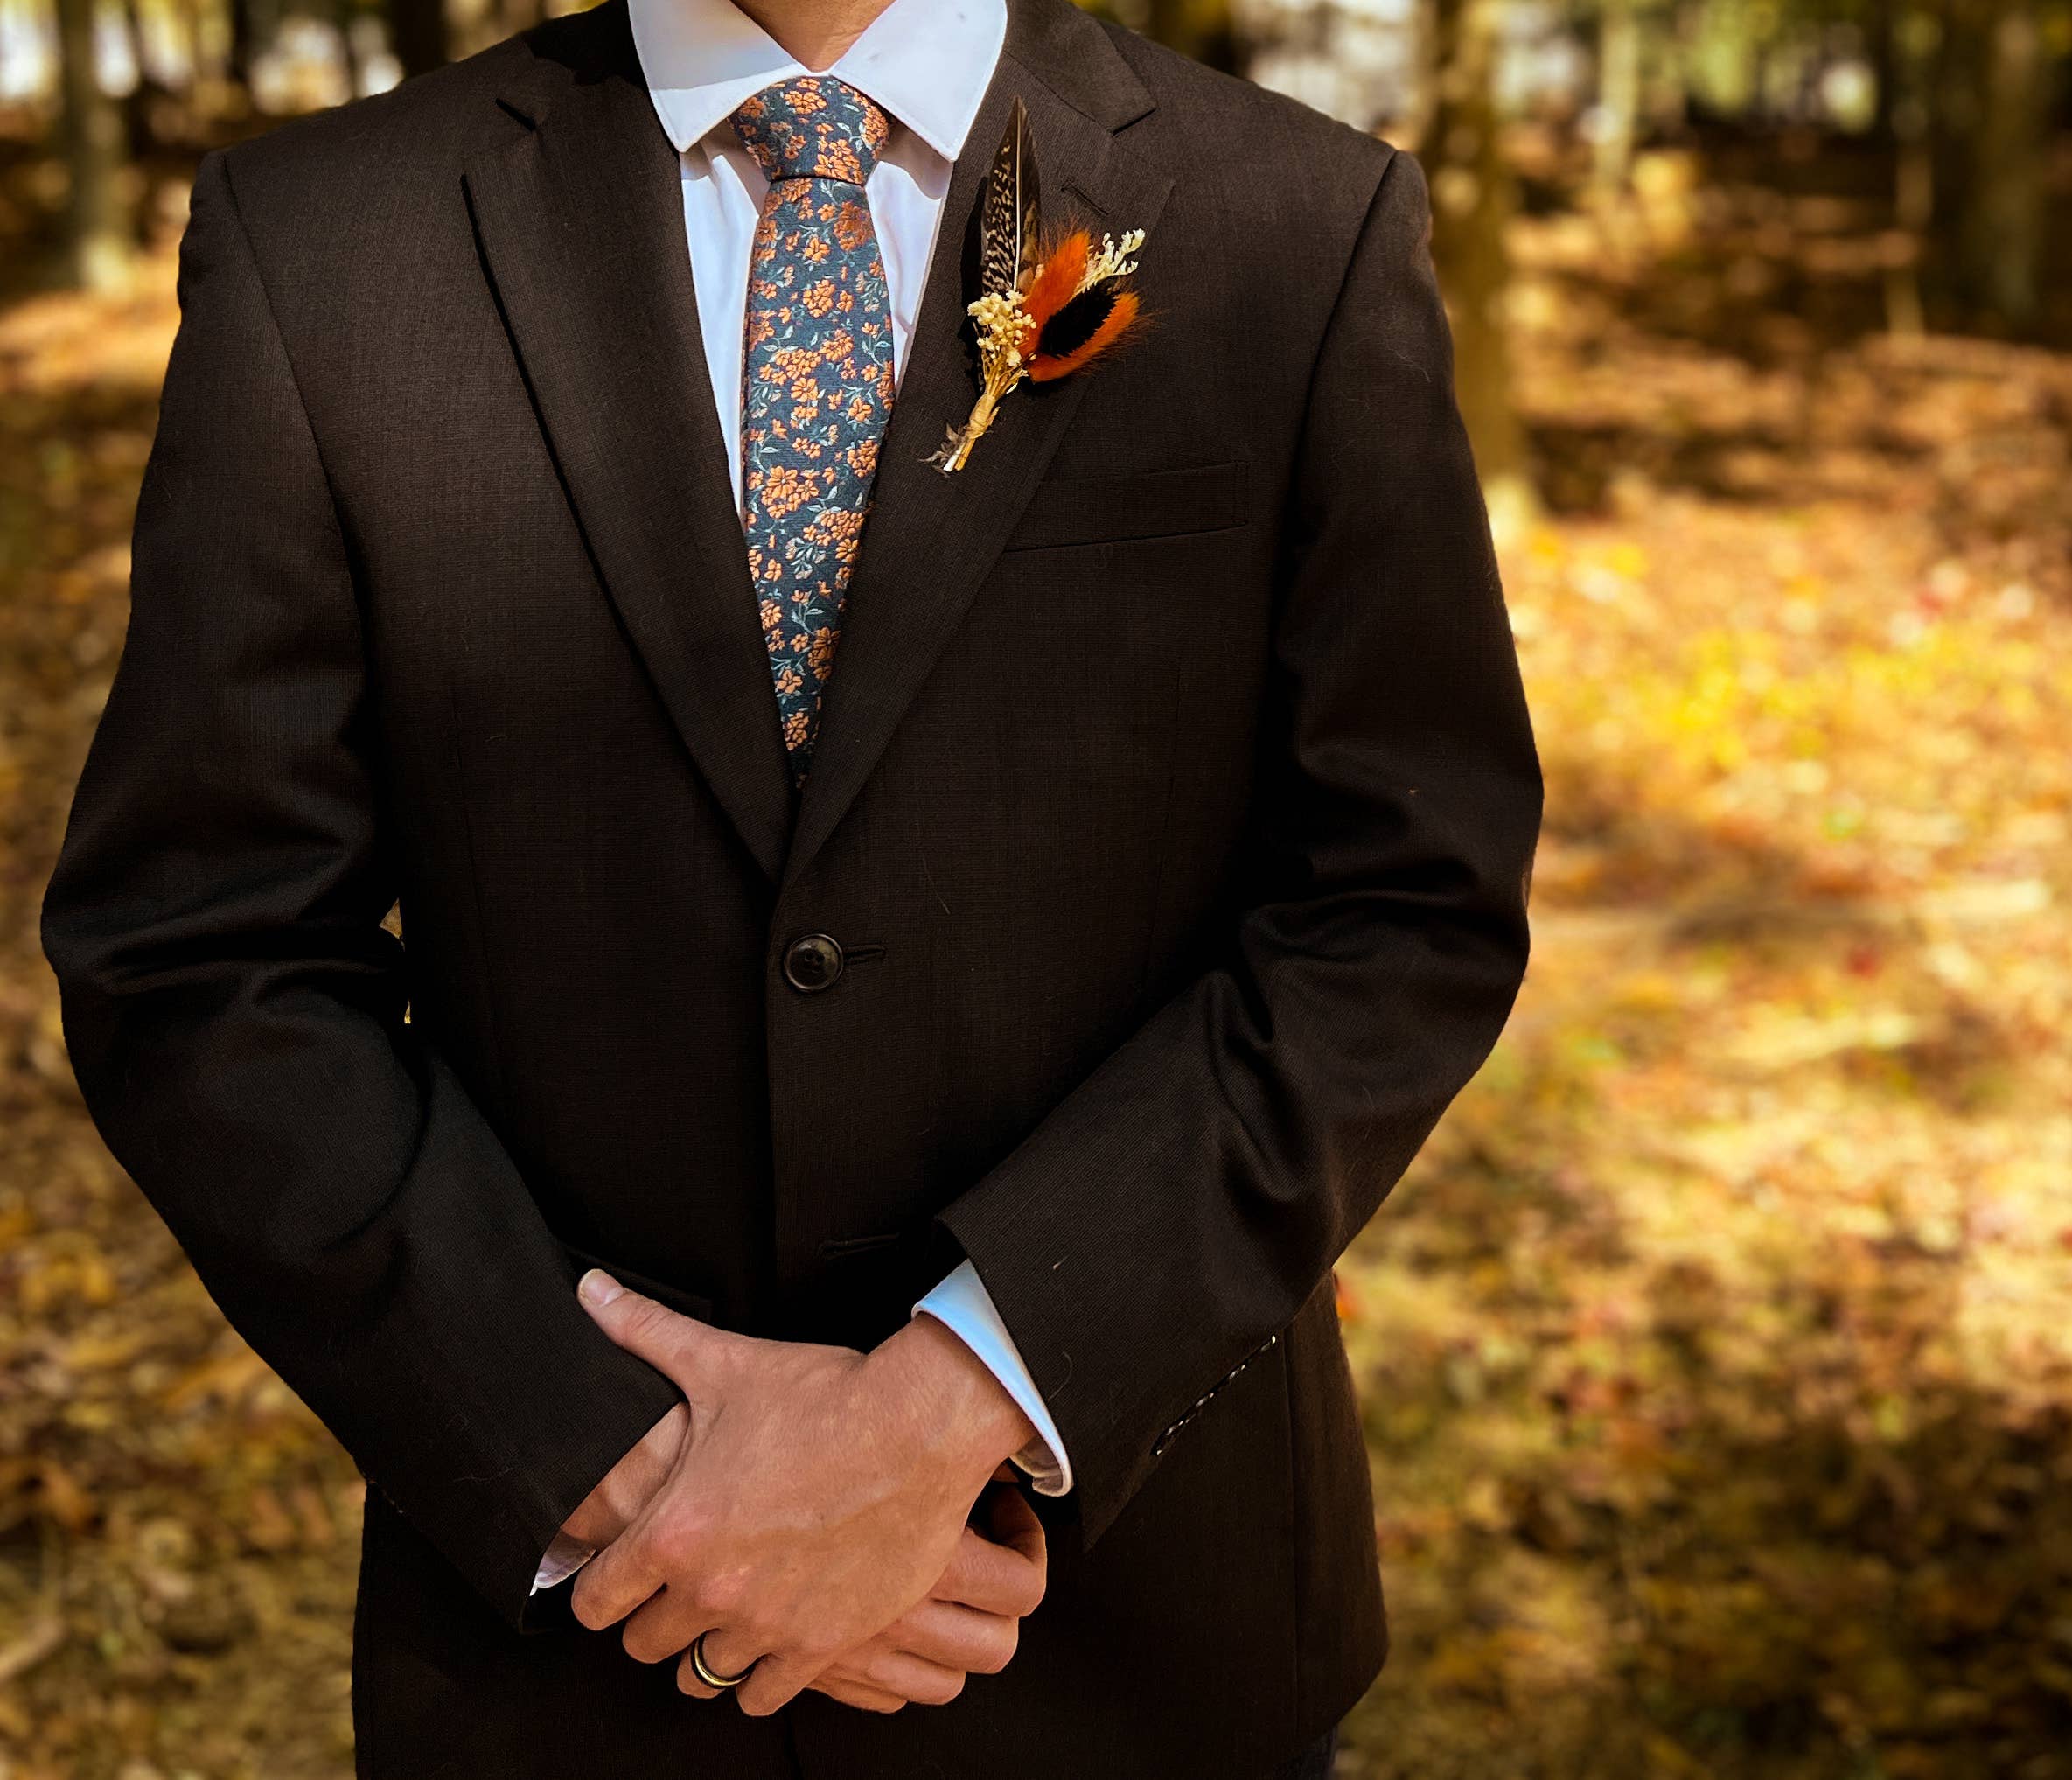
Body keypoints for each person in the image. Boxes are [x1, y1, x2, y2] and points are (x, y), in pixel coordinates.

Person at [39, 0, 1543, 1770]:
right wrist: (616, 1459)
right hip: (584, 1641)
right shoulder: (331, 240)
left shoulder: (1296, 222)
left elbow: (1401, 895)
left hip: (1125, 1621)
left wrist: (967, 1388)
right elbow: (199, 949)